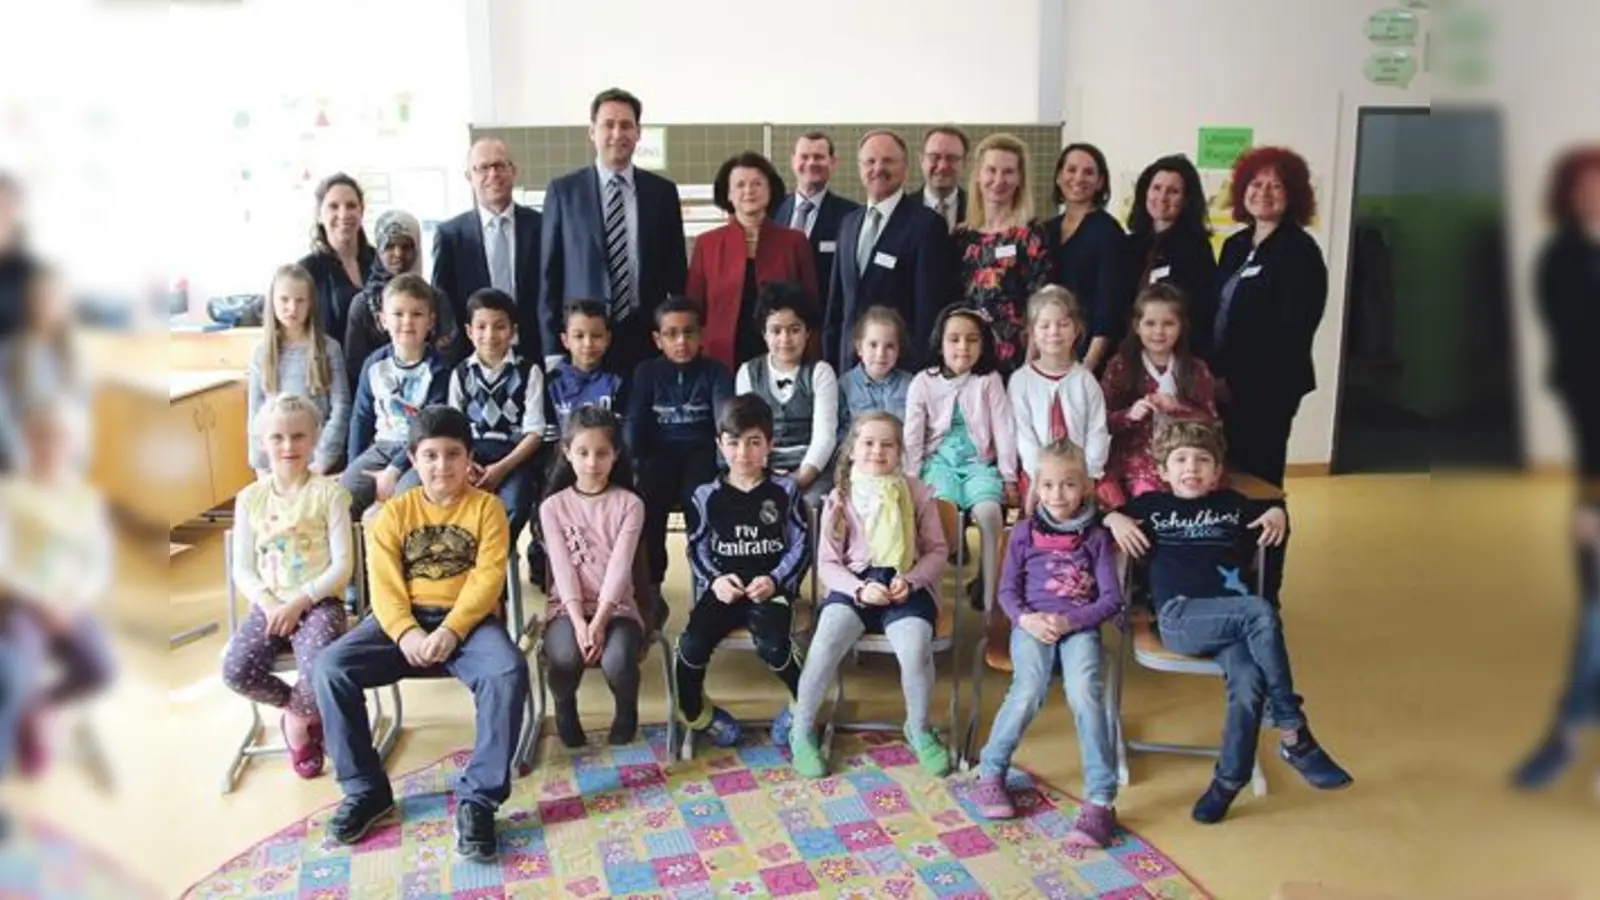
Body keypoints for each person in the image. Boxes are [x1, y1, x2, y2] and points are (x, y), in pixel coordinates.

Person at [1103, 420, 1351, 824]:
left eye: (1203, 461)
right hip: (1181, 618)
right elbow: (1096, 518)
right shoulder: (1151, 508)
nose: (1191, 468)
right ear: (1162, 471)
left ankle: (1227, 783)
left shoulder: (1234, 505)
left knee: (1250, 682)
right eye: (1180, 460)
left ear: (1217, 471)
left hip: (1233, 624)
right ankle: (1293, 731)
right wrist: (1112, 519)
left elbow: (1276, 509)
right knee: (1259, 610)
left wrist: (1278, 510)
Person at [313, 406, 525, 861]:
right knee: (331, 667)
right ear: (412, 458)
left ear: (470, 458)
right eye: (430, 455)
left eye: (453, 454)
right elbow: (384, 585)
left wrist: (452, 629)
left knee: (507, 672)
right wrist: (407, 633)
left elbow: (488, 579)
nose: (441, 466)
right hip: (400, 623)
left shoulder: (489, 509)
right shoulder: (391, 514)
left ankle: (479, 800)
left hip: (467, 623)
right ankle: (366, 789)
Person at [972, 441, 1121, 848]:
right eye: (1049, 485)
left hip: (1079, 628)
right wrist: (1027, 620)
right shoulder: (1022, 533)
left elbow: (1112, 599)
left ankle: (1101, 800)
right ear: (1035, 486)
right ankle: (990, 771)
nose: (1058, 495)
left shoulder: (1096, 537)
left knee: (1085, 694)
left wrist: (1069, 620)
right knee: (1028, 689)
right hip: (1031, 625)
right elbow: (1006, 592)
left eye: (1068, 485)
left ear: (1086, 488)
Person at [788, 412, 950, 778]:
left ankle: (920, 728)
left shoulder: (917, 492)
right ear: (852, 450)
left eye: (887, 444)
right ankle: (801, 730)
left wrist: (911, 580)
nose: (878, 451)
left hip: (906, 582)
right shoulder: (840, 497)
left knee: (915, 649)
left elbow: (937, 552)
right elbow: (827, 563)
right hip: (855, 583)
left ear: (900, 451)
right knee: (824, 644)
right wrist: (859, 588)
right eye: (868, 443)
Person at [221, 395, 352, 778]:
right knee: (234, 668)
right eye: (277, 437)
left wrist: (299, 602)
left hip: (319, 603)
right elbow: (243, 567)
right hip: (269, 604)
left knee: (320, 669)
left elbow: (342, 566)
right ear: (263, 442)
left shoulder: (330, 494)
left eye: (298, 436)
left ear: (313, 439)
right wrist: (269, 602)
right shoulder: (250, 499)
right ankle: (303, 712)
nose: (288, 446)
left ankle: (298, 727)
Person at [675, 395, 810, 749]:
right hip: (724, 588)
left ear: (770, 445)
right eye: (734, 443)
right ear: (720, 444)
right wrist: (715, 581)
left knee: (773, 646)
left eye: (754, 443)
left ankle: (803, 704)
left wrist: (776, 580)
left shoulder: (786, 490)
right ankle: (697, 714)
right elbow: (696, 547)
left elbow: (801, 546)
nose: (743, 453)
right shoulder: (706, 495)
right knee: (690, 646)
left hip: (771, 588)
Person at [0, 402, 115, 788]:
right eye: (42, 437)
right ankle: (19, 723)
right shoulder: (11, 493)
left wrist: (74, 599)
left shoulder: (85, 497)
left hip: (70, 603)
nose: (50, 446)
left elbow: (98, 562)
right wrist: (42, 601)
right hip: (23, 603)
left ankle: (42, 709)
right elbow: (6, 562)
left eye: (60, 438)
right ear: (28, 441)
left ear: (74, 445)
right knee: (21, 671)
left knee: (100, 669)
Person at [540, 88, 687, 377]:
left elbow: (677, 273)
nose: (617, 133)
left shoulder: (662, 193)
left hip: (646, 338)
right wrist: (552, 348)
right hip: (584, 341)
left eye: (626, 125)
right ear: (592, 131)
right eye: (608, 124)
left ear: (638, 133)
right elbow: (549, 276)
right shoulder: (564, 192)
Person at [1211, 146, 1328, 489]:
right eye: (1255, 183)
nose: (1263, 193)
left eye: (1275, 186)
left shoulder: (1299, 252)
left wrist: (1234, 380)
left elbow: (1291, 332)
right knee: (1226, 473)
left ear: (1293, 195)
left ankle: (1270, 542)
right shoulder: (1235, 245)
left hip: (1267, 388)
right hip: (1222, 384)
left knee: (1259, 478)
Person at [539, 406, 647, 749]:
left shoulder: (630, 504)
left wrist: (599, 621)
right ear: (566, 452)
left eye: (602, 453)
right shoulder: (552, 507)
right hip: (566, 609)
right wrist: (578, 621)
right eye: (582, 452)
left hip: (616, 609)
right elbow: (561, 568)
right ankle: (565, 708)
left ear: (615, 455)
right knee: (566, 657)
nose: (591, 462)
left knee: (617, 661)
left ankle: (627, 711)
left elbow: (619, 569)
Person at [406, 289, 544, 540]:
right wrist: (467, 465)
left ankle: (495, 567)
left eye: (499, 327)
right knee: (439, 499)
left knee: (514, 504)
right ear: (469, 331)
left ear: (512, 331)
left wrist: (500, 469)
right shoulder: (460, 373)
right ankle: (457, 558)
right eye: (481, 327)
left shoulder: (529, 371)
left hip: (512, 458)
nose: (490, 335)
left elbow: (535, 433)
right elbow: (452, 429)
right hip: (470, 456)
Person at [905, 306, 1018, 612]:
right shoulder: (923, 382)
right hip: (939, 464)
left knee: (989, 514)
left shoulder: (989, 380)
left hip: (979, 464)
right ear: (939, 343)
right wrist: (912, 478)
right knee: (942, 516)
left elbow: (1004, 428)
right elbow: (913, 435)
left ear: (983, 345)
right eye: (953, 339)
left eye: (972, 340)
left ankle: (989, 590)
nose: (963, 348)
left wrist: (1009, 476)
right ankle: (932, 595)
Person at [823, 130, 957, 372]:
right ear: (860, 167)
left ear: (905, 168)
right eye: (870, 161)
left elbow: (928, 310)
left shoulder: (926, 225)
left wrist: (920, 371)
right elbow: (837, 304)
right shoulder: (848, 223)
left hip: (900, 370)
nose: (878, 168)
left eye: (888, 161)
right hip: (849, 369)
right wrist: (830, 363)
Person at [624, 298, 733, 592]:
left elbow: (725, 420)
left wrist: (728, 464)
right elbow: (634, 420)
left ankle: (705, 581)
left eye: (689, 332)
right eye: (671, 334)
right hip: (659, 453)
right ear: (658, 340)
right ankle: (652, 588)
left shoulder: (716, 372)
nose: (681, 341)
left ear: (701, 336)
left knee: (698, 498)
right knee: (647, 500)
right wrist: (633, 463)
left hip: (702, 452)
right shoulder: (647, 372)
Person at [687, 151, 817, 370]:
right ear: (728, 193)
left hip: (783, 357)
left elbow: (811, 307)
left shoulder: (795, 242)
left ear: (770, 189)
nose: (749, 191)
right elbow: (694, 309)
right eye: (740, 185)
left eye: (757, 183)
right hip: (721, 359)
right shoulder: (706, 244)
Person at [341, 275, 452, 519]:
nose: (407, 322)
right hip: (381, 448)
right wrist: (354, 464)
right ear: (383, 320)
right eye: (398, 314)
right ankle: (356, 556)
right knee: (343, 496)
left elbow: (430, 427)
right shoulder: (374, 364)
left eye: (417, 314)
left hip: (420, 453)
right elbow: (361, 418)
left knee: (404, 500)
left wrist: (394, 469)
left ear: (431, 321)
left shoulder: (439, 369)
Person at [1100, 282, 1217, 507]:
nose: (1159, 332)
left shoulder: (1195, 368)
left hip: (1187, 458)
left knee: (1200, 495)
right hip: (1135, 459)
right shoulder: (1121, 366)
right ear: (1137, 325)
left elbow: (1211, 422)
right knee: (1151, 497)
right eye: (1150, 323)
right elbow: (1102, 421)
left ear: (1181, 326)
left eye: (1168, 324)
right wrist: (1130, 415)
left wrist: (1179, 408)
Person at [433, 138, 543, 362]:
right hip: (473, 357)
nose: (493, 174)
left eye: (500, 165)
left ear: (513, 171)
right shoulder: (450, 235)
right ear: (469, 176)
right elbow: (442, 300)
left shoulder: (542, 226)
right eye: (483, 167)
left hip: (533, 351)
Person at [954, 133, 1051, 373]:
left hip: (1015, 357)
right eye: (991, 170)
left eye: (1008, 172)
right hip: (966, 354)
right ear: (978, 175)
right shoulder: (960, 236)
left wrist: (1030, 366)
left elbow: (1040, 306)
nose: (999, 180)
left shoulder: (1030, 235)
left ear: (1020, 179)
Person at [734, 283, 837, 506]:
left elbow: (825, 437)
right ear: (764, 333)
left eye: (794, 329)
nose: (785, 339)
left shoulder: (821, 372)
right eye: (776, 331)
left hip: (812, 466)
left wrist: (800, 478)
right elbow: (746, 433)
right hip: (763, 465)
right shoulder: (748, 373)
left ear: (807, 332)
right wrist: (764, 474)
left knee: (811, 502)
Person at [1008, 286, 1109, 507]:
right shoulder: (1020, 381)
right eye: (1045, 326)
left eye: (1063, 325)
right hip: (1039, 475)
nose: (1054, 332)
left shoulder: (1085, 380)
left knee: (1105, 506)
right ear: (1032, 333)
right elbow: (1023, 435)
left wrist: (1089, 474)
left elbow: (1097, 431)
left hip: (1083, 473)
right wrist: (1040, 475)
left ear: (1076, 330)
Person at [246, 264, 349, 476]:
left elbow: (341, 407)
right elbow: (256, 413)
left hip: (318, 464)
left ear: (311, 304)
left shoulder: (329, 348)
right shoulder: (260, 352)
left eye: (300, 300)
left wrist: (321, 461)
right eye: (284, 300)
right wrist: (262, 467)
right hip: (277, 465)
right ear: (272, 301)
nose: (292, 308)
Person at [343, 210, 460, 381]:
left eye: (406, 246)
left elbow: (450, 353)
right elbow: (355, 365)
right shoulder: (363, 304)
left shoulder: (435, 299)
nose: (398, 253)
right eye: (389, 246)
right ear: (379, 249)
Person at [1123, 155, 1219, 360]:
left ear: (1186, 200)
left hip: (1179, 357)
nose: (1162, 197)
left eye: (1173, 191)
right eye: (1156, 188)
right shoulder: (1129, 245)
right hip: (1130, 355)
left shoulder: (1196, 248)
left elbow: (1201, 312)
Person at [1044, 143, 1127, 373]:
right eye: (1071, 170)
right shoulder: (1045, 230)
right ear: (1059, 176)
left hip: (1087, 354)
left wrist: (1089, 365)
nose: (1078, 178)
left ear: (1100, 182)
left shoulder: (1108, 232)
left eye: (1089, 172)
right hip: (1048, 350)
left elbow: (1108, 305)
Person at [0, 265, 87, 472]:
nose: (47, 306)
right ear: (31, 303)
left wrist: (72, 458)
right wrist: (20, 456)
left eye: (54, 299)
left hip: (63, 461)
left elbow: (83, 412)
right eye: (41, 298)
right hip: (20, 458)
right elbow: (3, 412)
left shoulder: (77, 356)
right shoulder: (11, 352)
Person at [774, 132, 861, 298]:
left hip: (825, 319)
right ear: (793, 161)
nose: (811, 163)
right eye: (804, 156)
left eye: (819, 157)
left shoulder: (852, 216)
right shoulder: (772, 211)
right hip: (779, 318)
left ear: (833, 163)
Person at [297, 173, 376, 344]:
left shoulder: (380, 262)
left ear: (361, 211)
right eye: (333, 206)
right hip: (330, 366)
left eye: (351, 205)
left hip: (379, 368)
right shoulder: (305, 271)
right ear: (319, 215)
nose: (343, 214)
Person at [545, 298, 627, 439]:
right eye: (579, 336)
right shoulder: (550, 382)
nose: (588, 344)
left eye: (596, 336)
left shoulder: (620, 381)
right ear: (565, 340)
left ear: (608, 339)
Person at [836, 305, 913, 443]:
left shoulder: (910, 385)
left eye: (889, 346)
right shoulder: (844, 386)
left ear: (899, 350)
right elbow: (840, 431)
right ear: (859, 347)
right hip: (860, 457)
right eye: (873, 345)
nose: (881, 354)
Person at [918, 126, 970, 232]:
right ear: (921, 160)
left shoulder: (979, 210)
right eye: (934, 157)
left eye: (952, 158)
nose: (942, 166)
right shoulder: (900, 212)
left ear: (964, 163)